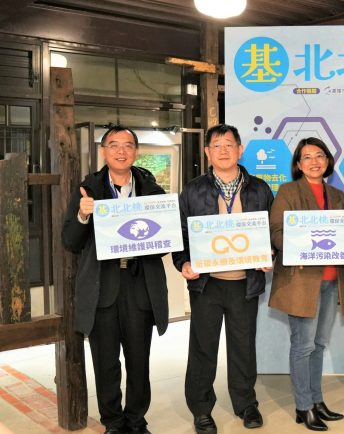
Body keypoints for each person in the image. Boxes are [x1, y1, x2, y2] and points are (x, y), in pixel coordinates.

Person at [62, 125, 169, 434]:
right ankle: (113, 422)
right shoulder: (88, 190)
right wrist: (83, 215)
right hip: (103, 286)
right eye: (114, 145)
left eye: (128, 145)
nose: (121, 151)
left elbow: (164, 240)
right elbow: (70, 240)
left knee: (139, 360)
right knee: (106, 361)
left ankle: (136, 420)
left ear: (136, 151)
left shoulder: (152, 190)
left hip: (139, 284)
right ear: (103, 151)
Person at [173, 124, 274, 434]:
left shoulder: (259, 189)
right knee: (203, 347)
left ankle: (246, 404)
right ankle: (201, 409)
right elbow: (180, 232)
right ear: (207, 152)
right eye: (216, 146)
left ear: (240, 150)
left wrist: (270, 253)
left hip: (245, 282)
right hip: (207, 284)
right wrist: (183, 262)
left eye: (229, 144)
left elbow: (271, 231)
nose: (223, 151)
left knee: (243, 346)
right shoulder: (193, 189)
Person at [268, 138, 344, 431]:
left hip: (331, 280)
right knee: (302, 346)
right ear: (298, 164)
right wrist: (297, 249)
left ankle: (317, 401)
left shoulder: (337, 195)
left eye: (320, 155)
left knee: (318, 345)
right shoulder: (288, 191)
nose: (315, 162)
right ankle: (303, 407)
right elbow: (276, 231)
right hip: (302, 281)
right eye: (307, 157)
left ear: (327, 160)